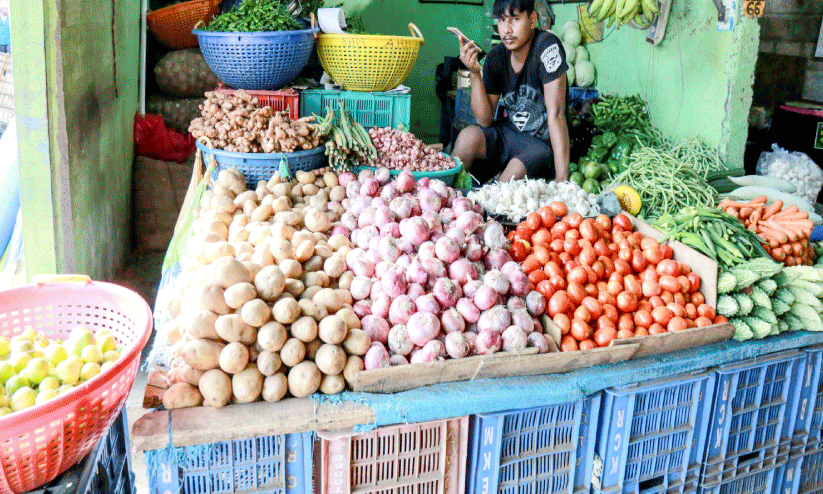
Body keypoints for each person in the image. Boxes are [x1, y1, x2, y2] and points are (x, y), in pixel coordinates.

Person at [451, 0, 570, 184]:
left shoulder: (547, 47)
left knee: (508, 178)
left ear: (532, 20)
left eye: (515, 19)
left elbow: (557, 114)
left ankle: (492, 196)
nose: (506, 29)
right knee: (467, 136)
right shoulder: (496, 57)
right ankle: (446, 196)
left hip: (541, 143)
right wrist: (475, 74)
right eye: (501, 20)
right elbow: (484, 120)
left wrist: (563, 179)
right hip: (509, 133)